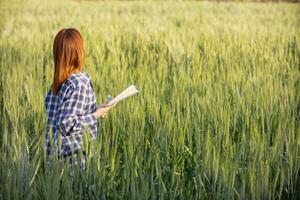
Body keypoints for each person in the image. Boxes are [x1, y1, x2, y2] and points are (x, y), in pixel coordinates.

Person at [44, 28, 112, 172]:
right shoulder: (79, 82)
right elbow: (66, 123)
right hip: (74, 162)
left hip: (54, 163)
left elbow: (66, 116)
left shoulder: (58, 84)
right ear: (78, 52)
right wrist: (96, 115)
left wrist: (96, 109)